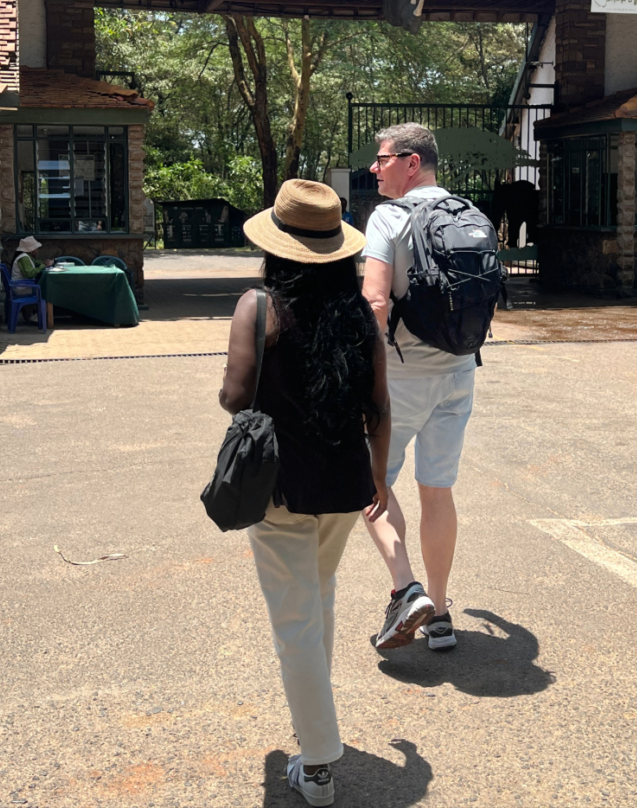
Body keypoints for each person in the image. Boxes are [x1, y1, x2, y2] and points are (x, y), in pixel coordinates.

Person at [220, 178, 390, 807]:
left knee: (295, 618)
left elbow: (235, 397)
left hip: (280, 486)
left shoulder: (258, 307)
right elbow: (380, 404)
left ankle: (318, 763)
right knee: (318, 595)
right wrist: (379, 473)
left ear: (276, 247)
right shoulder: (357, 312)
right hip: (346, 481)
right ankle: (312, 728)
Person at [361, 123, 477, 652]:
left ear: (411, 162)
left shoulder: (389, 216)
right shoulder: (468, 213)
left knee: (370, 484)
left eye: (382, 159)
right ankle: (442, 611)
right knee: (438, 490)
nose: (374, 168)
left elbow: (376, 302)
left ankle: (405, 590)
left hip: (400, 377)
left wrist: (364, 364)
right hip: (457, 372)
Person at [11, 236, 53, 303]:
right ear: (32, 250)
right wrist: (42, 266)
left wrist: (43, 262)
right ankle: (47, 311)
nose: (37, 251)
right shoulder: (24, 258)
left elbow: (35, 262)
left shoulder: (27, 256)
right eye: (36, 249)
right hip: (21, 289)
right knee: (46, 290)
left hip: (22, 286)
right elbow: (30, 274)